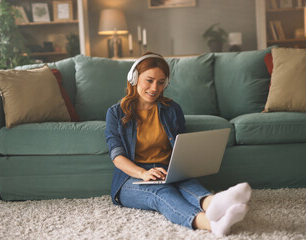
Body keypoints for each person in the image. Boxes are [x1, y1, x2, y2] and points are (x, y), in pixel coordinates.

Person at [105, 52, 252, 237]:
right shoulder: (116, 113)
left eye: (160, 82)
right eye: (149, 80)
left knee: (189, 184)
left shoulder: (172, 109)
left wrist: (186, 165)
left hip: (167, 169)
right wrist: (143, 173)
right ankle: (211, 224)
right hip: (131, 178)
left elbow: (181, 146)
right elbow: (117, 157)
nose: (154, 88)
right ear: (134, 78)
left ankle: (214, 203)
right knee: (162, 193)